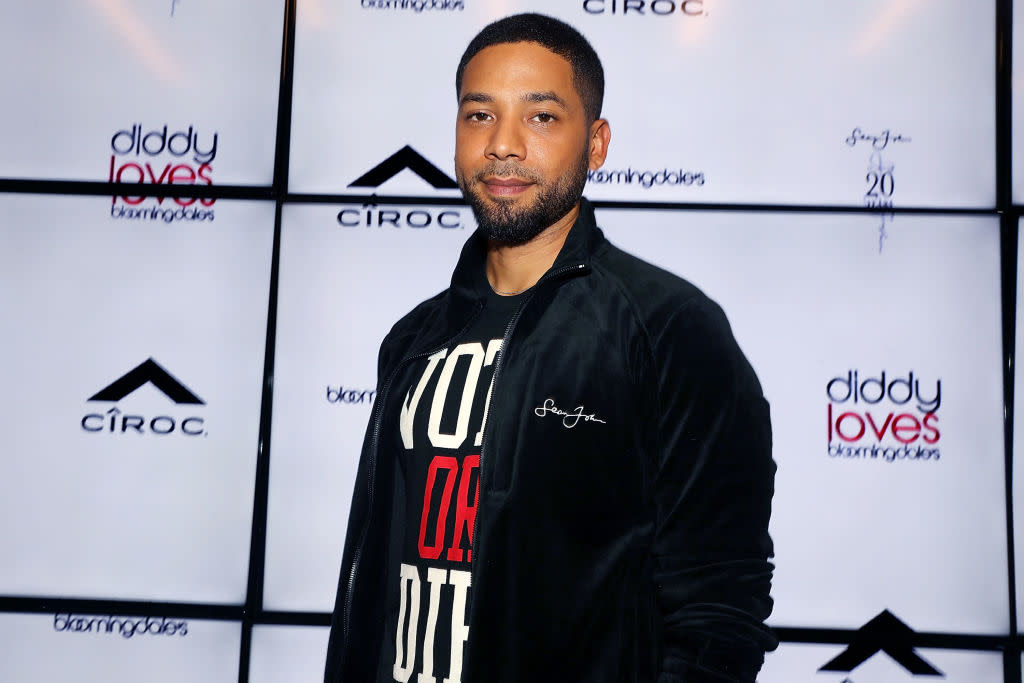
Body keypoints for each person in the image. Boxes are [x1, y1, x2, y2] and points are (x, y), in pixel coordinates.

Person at [324, 12, 776, 683]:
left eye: (540, 117)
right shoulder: (414, 339)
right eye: (479, 115)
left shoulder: (669, 328)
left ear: (596, 144)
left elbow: (719, 608)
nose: (502, 145)